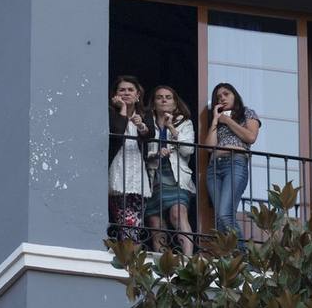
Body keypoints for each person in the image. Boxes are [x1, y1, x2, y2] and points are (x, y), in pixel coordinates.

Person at [203, 82, 261, 248]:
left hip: (235, 164)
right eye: (218, 97)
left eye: (226, 94)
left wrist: (228, 121)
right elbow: (208, 147)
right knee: (220, 220)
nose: (222, 98)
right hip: (214, 168)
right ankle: (231, 260)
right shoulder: (218, 120)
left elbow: (250, 137)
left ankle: (244, 258)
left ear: (235, 95)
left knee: (224, 215)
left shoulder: (247, 112)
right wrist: (215, 120)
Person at [145, 85, 197, 255]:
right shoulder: (147, 123)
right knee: (155, 222)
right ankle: (162, 262)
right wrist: (156, 153)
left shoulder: (184, 123)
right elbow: (142, 150)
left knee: (177, 214)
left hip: (176, 176)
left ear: (175, 104)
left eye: (168, 97)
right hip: (153, 176)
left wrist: (172, 128)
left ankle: (188, 257)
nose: (164, 100)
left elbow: (188, 150)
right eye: (159, 97)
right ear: (153, 104)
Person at [107, 75, 152, 244]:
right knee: (124, 216)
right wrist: (123, 109)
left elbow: (150, 134)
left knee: (136, 218)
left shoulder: (145, 113)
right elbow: (118, 131)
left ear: (138, 95)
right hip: (119, 168)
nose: (126, 93)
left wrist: (140, 124)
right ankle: (128, 249)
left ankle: (131, 249)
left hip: (138, 172)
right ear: (115, 95)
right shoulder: (111, 112)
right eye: (122, 90)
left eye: (130, 90)